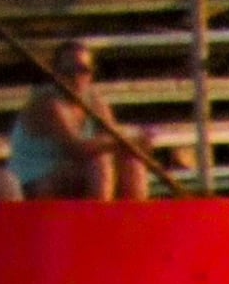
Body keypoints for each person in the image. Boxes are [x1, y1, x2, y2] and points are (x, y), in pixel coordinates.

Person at [8, 39, 147, 202]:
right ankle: (97, 221)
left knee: (132, 162)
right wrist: (128, 141)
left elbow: (113, 137)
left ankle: (136, 220)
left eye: (83, 70)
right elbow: (76, 150)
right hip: (36, 179)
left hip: (75, 170)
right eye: (68, 71)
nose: (76, 77)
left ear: (92, 73)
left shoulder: (95, 101)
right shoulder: (47, 103)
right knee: (99, 162)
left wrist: (136, 145)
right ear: (56, 73)